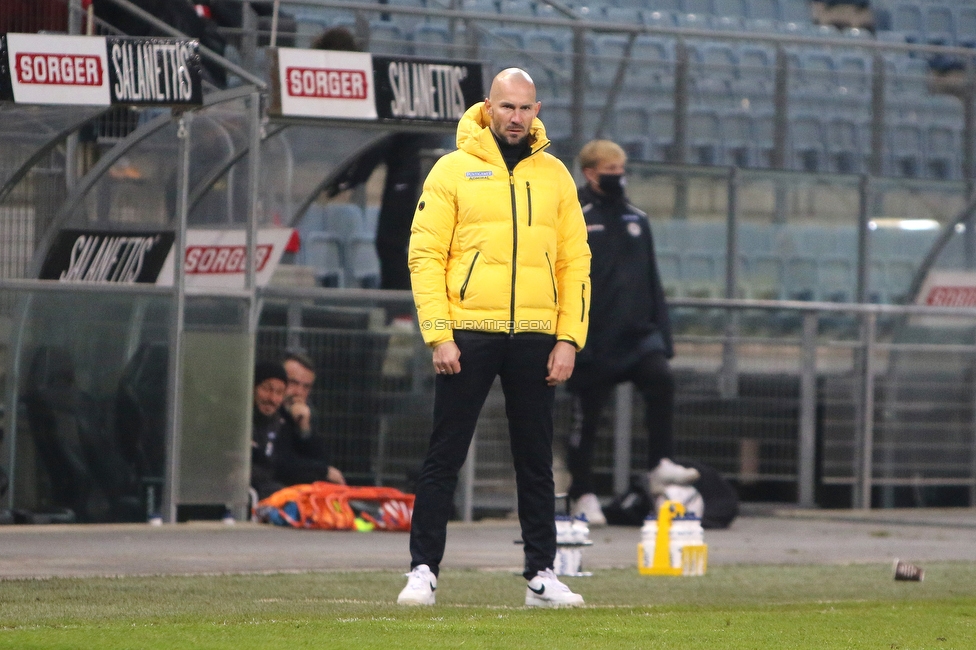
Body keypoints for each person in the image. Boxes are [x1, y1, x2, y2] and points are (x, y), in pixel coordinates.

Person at [398, 68, 591, 608]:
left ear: (537, 109)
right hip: (468, 331)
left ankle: (542, 575)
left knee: (536, 460)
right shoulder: (451, 170)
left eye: (526, 108)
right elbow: (425, 256)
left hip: (536, 334)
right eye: (507, 107)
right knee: (445, 455)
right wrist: (439, 333)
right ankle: (422, 570)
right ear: (487, 107)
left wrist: (568, 338)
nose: (516, 117)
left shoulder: (555, 175)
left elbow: (576, 262)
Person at [565, 140, 699, 527]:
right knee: (586, 419)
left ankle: (660, 464)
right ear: (590, 172)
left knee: (661, 378)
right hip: (593, 337)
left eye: (621, 170)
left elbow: (651, 280)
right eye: (610, 170)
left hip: (637, 336)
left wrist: (664, 337)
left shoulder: (637, 218)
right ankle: (583, 492)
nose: (618, 177)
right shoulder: (573, 215)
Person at [250, 360, 344, 501]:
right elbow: (278, 464)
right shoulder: (260, 418)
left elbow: (322, 461)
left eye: (306, 387)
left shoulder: (300, 416)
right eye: (293, 383)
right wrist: (321, 470)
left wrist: (304, 428)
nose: (298, 392)